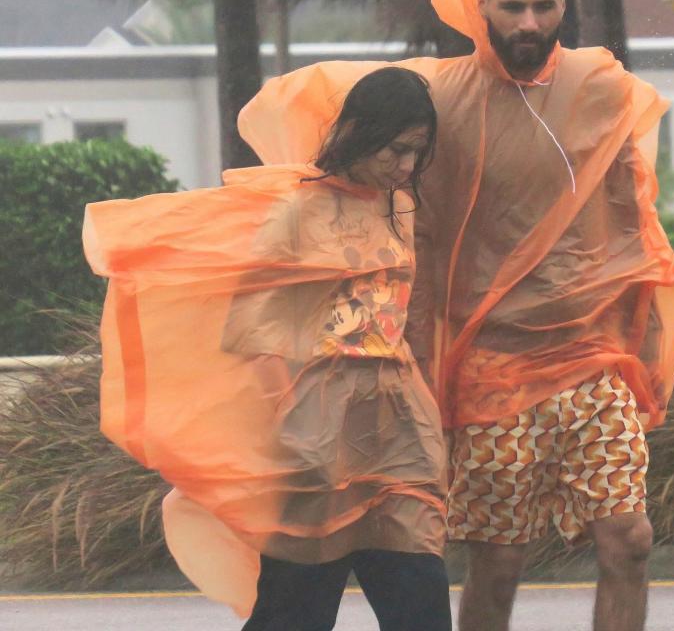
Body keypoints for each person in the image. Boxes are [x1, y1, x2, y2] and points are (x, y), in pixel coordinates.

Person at [236, 0, 674, 631]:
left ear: (566, 3)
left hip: (587, 362)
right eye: (512, 8)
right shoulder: (437, 105)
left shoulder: (600, 88)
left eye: (543, 7)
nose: (529, 23)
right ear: (481, 6)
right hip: (472, 379)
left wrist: (649, 339)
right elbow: (377, 209)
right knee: (486, 567)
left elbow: (633, 222)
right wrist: (395, 370)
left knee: (628, 541)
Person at [83, 67, 451, 630]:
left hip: (399, 434)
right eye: (397, 150)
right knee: (295, 613)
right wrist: (291, 425)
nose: (405, 167)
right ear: (357, 129)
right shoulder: (297, 211)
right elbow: (249, 332)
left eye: (416, 153)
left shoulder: (399, 205)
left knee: (419, 608)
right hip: (317, 438)